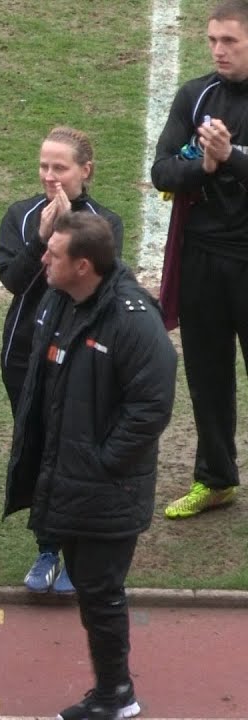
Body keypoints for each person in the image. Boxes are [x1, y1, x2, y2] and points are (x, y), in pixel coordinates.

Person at [4, 212, 176, 720]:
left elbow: (151, 408)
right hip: (70, 477)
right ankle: (113, 690)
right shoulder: (61, 299)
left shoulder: (133, 321)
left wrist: (103, 463)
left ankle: (115, 695)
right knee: (90, 585)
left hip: (105, 487)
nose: (44, 260)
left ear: (83, 265)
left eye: (53, 255)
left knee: (100, 592)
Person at [0, 126, 123, 594]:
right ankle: (48, 547)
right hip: (24, 355)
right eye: (44, 166)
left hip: (83, 356)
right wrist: (41, 239)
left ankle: (78, 553)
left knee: (78, 450)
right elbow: (12, 279)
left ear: (84, 171)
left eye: (60, 167)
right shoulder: (20, 214)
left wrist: (67, 237)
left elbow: (102, 287)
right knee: (39, 448)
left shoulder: (106, 223)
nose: (50, 176)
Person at [152, 0, 248, 521]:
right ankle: (216, 480)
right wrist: (206, 166)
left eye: (230, 41)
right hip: (202, 260)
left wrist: (230, 156)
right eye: (213, 40)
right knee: (208, 377)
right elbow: (162, 170)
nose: (218, 50)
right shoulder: (196, 95)